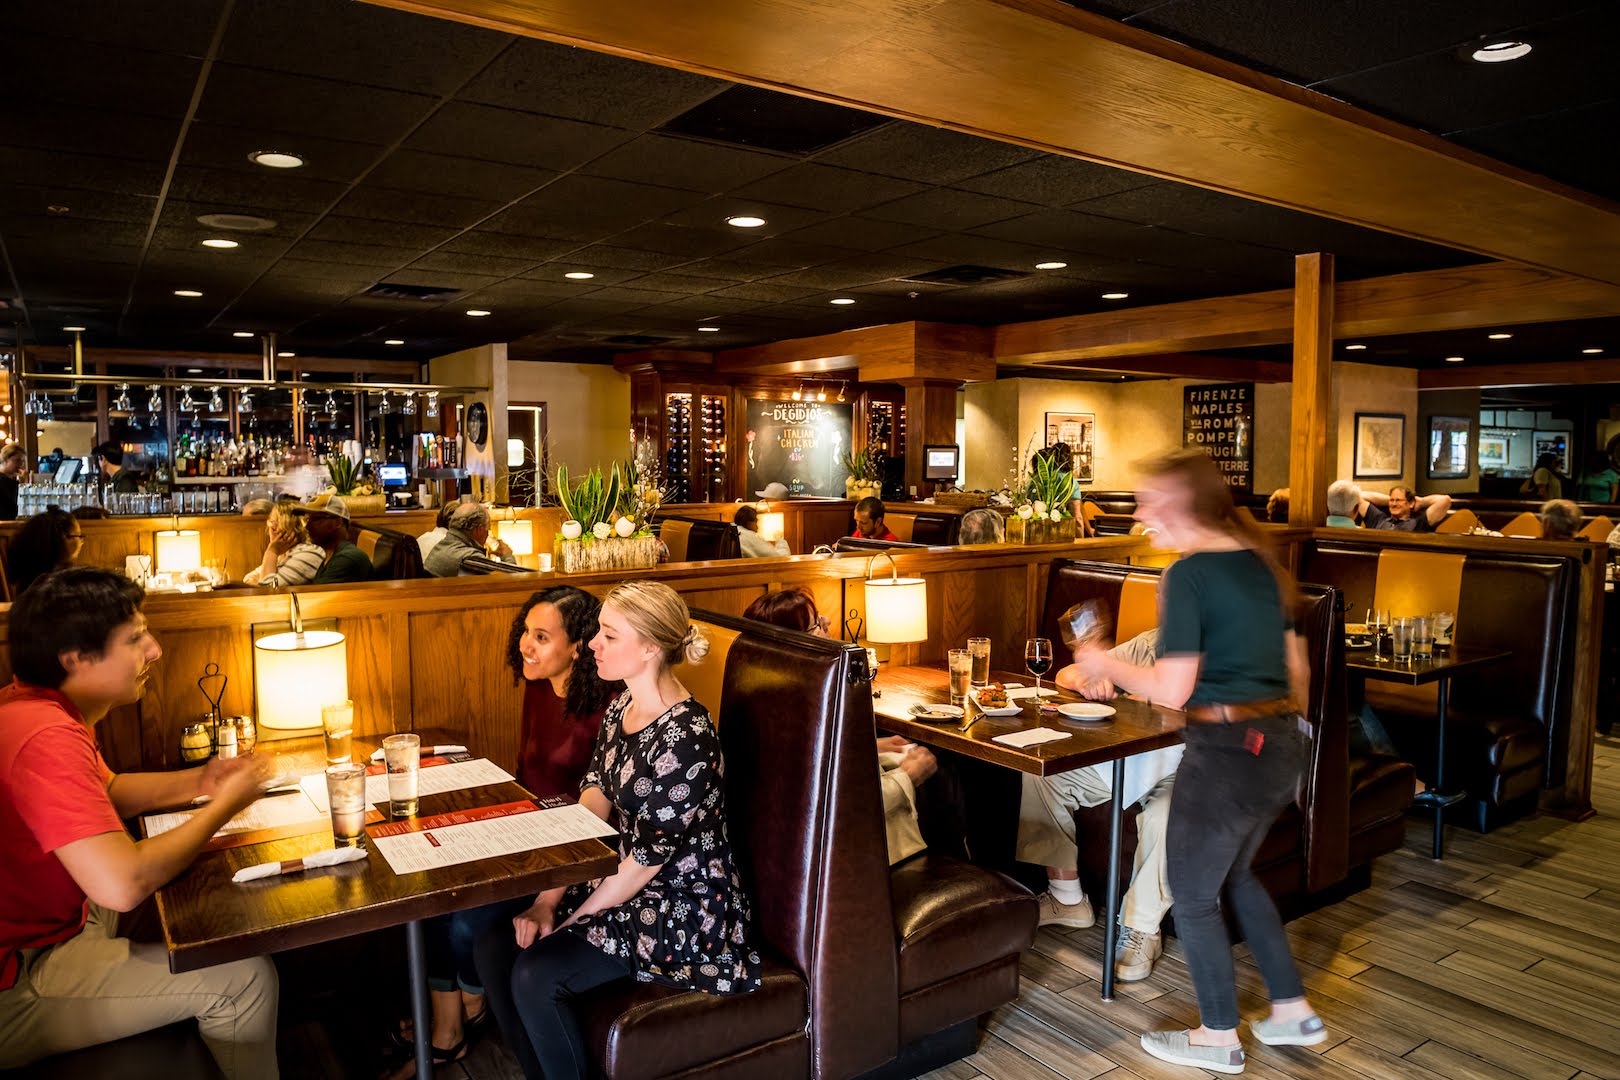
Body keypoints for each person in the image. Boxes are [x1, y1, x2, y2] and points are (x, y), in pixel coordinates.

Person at [1072, 449, 1323, 1073]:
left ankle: (1217, 1037)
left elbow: (1174, 689)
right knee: (1234, 879)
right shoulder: (1265, 565)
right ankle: (1291, 1010)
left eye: (1149, 500)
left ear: (1181, 503)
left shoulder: (1188, 574)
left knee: (1191, 896)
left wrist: (1103, 664)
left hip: (1228, 753)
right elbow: (1300, 671)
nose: (1141, 513)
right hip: (1279, 746)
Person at [0, 568, 278, 1078]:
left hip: (58, 924)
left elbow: (105, 791)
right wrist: (226, 806)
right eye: (134, 639)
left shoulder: (33, 707)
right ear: (75, 660)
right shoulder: (44, 735)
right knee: (246, 980)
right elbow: (122, 885)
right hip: (19, 977)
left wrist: (204, 779)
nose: (153, 650)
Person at [477, 581, 761, 1080]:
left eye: (608, 635)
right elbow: (590, 811)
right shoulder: (620, 708)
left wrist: (569, 924)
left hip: (683, 905)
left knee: (536, 971)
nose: (592, 644)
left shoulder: (688, 739)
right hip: (625, 885)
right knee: (492, 946)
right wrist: (547, 900)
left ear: (651, 646)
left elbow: (642, 865)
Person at [389, 586, 620, 1076]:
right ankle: (449, 1024)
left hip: (574, 854)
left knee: (468, 923)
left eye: (541, 637)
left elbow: (599, 814)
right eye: (524, 633)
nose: (525, 646)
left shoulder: (610, 706)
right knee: (428, 890)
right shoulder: (538, 688)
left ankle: (463, 1017)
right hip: (524, 833)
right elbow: (525, 775)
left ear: (579, 645)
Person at [1017, 628, 1182, 983]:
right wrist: (1086, 682)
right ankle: (1067, 898)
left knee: (1166, 814)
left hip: (1189, 763)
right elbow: (1066, 674)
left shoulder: (1224, 649)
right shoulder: (1150, 642)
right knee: (1043, 773)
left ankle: (1142, 927)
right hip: (1133, 756)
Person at [742, 589, 938, 863]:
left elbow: (822, 767)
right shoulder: (802, 715)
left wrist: (873, 747)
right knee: (943, 781)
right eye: (817, 625)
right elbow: (844, 806)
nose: (828, 626)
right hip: (854, 859)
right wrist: (909, 774)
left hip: (796, 852)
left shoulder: (763, 698)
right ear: (794, 644)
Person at [242, 500, 326, 587]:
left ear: (298, 526)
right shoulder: (284, 553)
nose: (271, 527)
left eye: (279, 522)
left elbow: (268, 589)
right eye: (271, 521)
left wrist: (271, 552)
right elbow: (247, 579)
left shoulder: (309, 553)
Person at [423, 502, 516, 577]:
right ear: (479, 529)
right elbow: (508, 581)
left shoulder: (442, 546)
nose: (487, 534)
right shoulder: (468, 558)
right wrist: (507, 556)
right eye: (488, 529)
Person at [6, 508, 83, 596]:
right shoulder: (58, 587)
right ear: (63, 538)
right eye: (79, 536)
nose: (81, 541)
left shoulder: (29, 580)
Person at [297, 496, 373, 584]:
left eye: (316, 519)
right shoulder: (332, 555)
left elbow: (320, 595)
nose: (307, 526)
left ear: (338, 522)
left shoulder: (348, 557)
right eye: (307, 520)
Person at [1353, 484, 1451, 532]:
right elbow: (1359, 496)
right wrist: (1389, 500)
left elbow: (1445, 501)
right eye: (1392, 500)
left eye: (1399, 500)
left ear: (1411, 503)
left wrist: (1421, 502)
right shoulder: (1378, 518)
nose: (1394, 504)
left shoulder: (1418, 523)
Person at [0, 443, 26, 521]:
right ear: (5, 459)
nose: (21, 465)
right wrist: (22, 485)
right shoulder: (3, 481)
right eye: (17, 461)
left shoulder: (11, 479)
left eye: (22, 461)